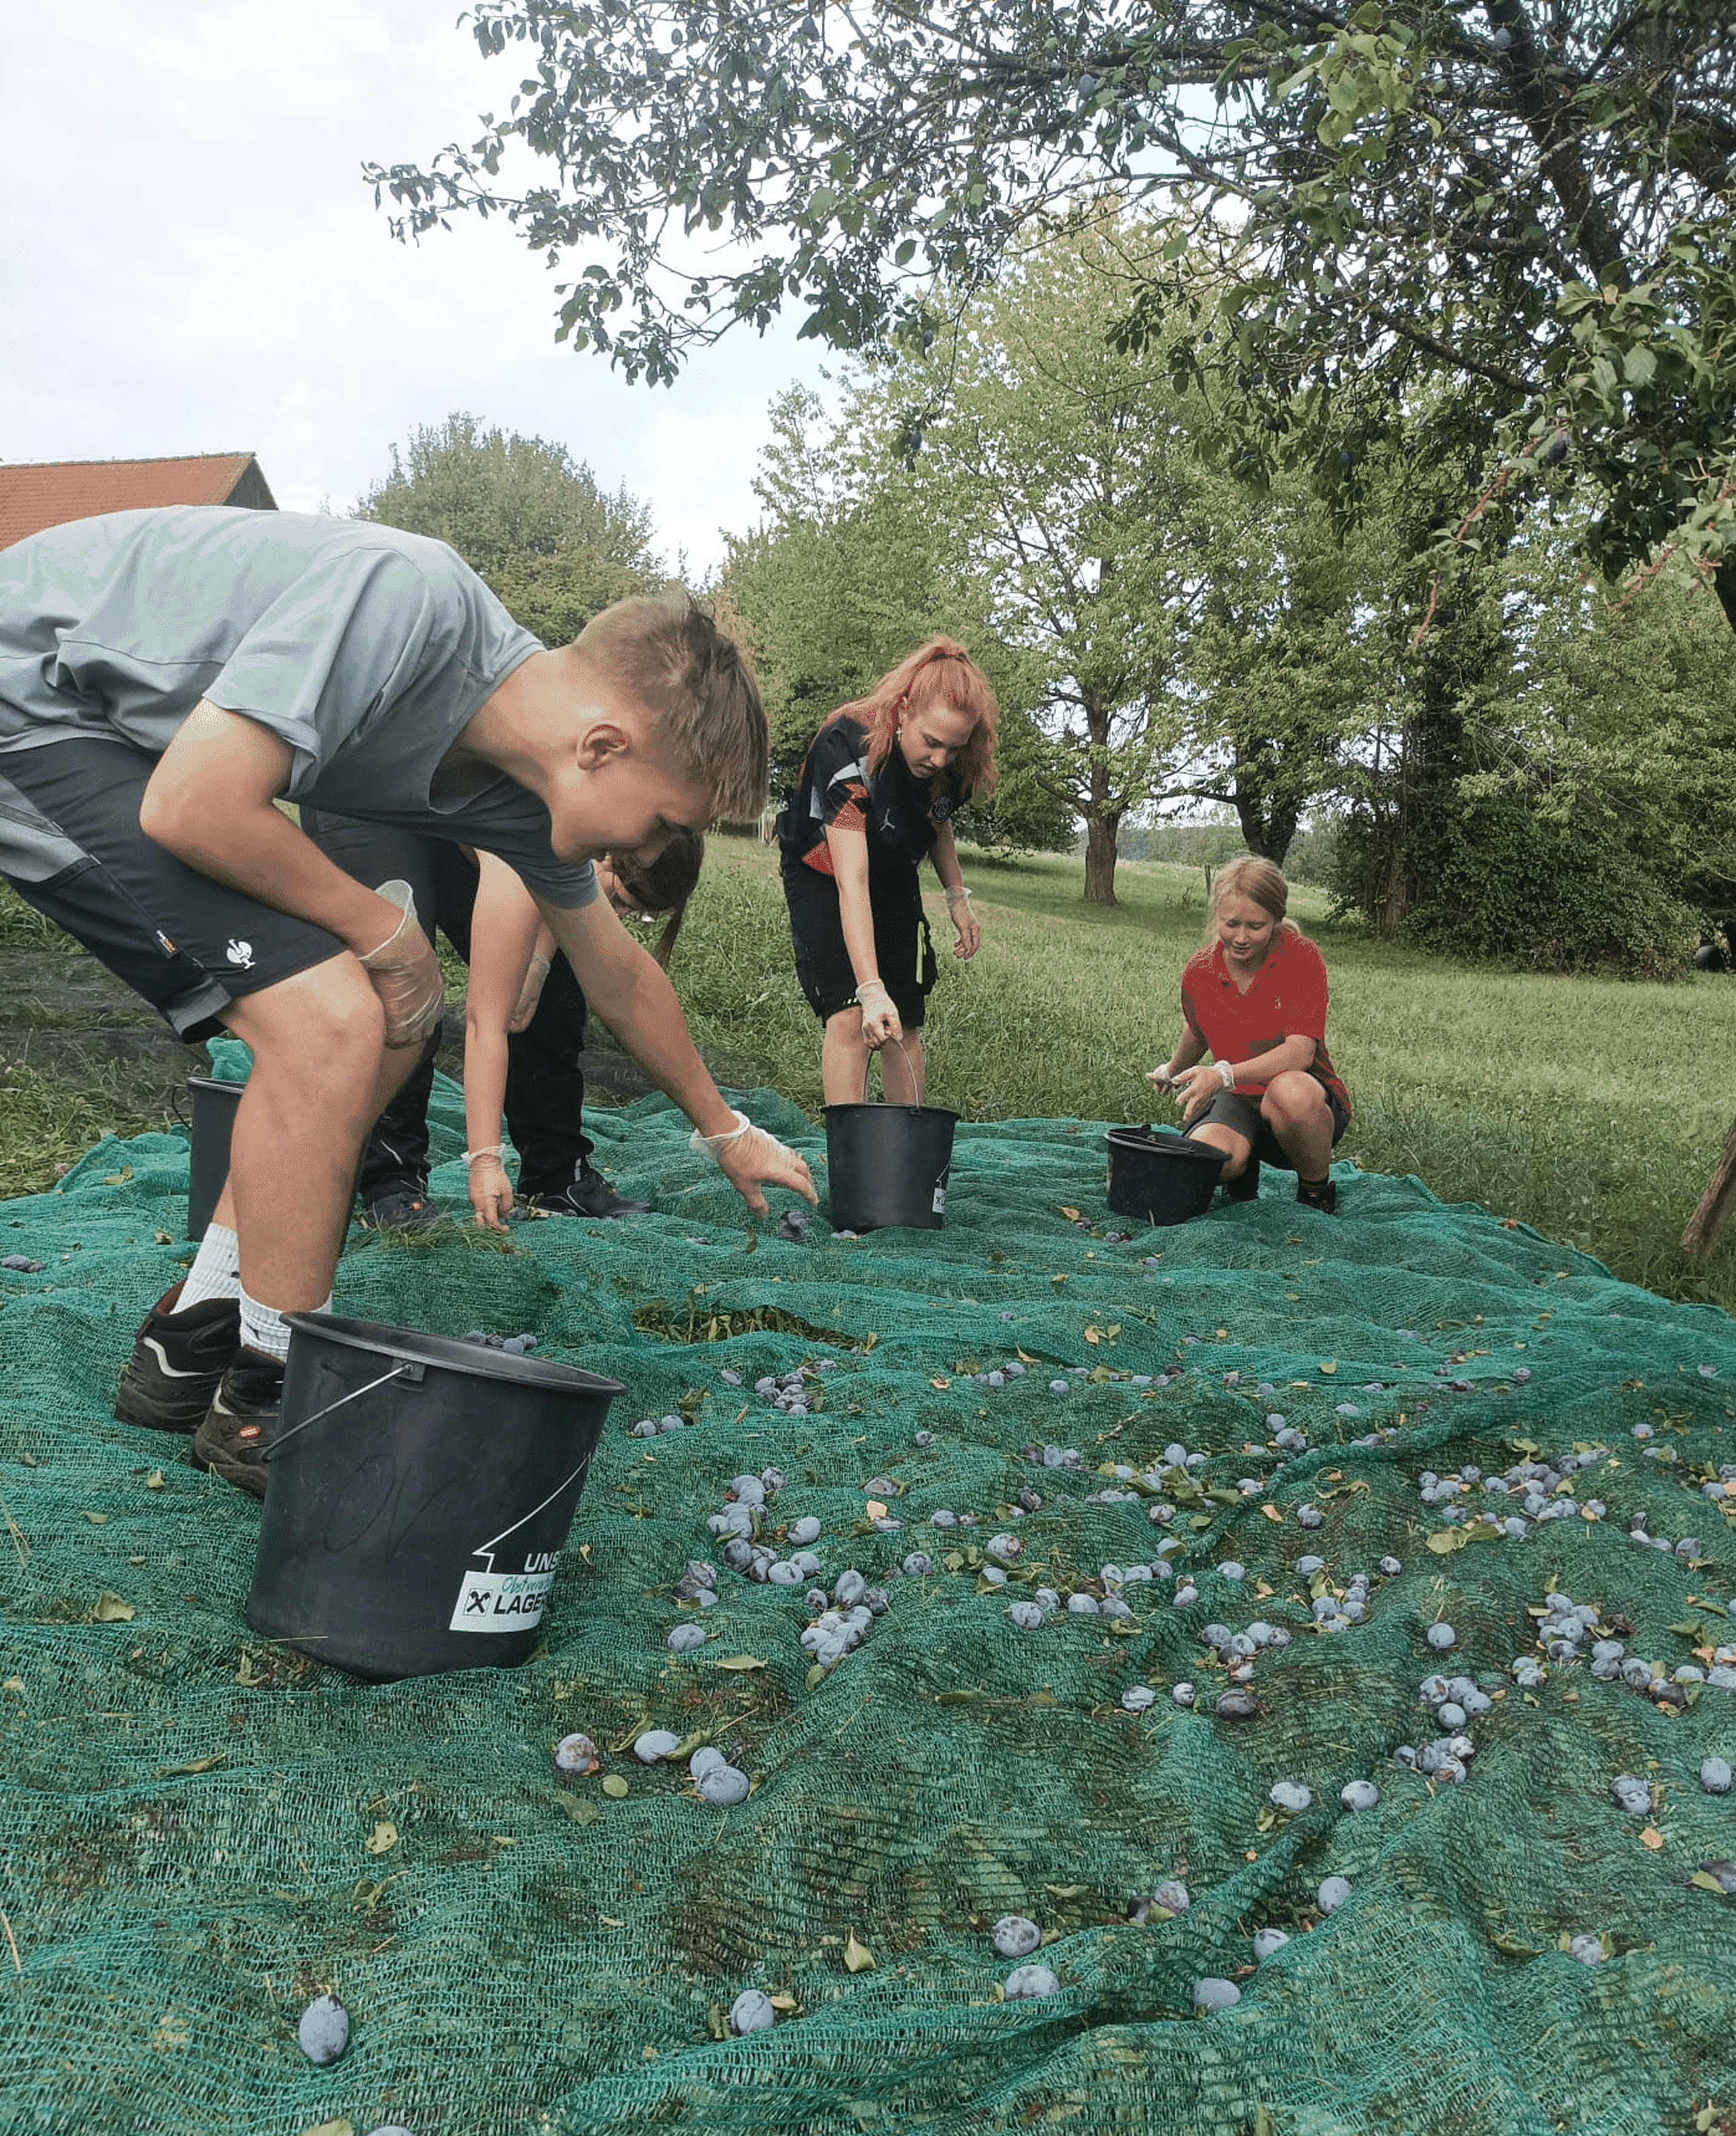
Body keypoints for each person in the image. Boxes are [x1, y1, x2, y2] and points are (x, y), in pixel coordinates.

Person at [0, 505, 814, 1495]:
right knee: (334, 1018)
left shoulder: (516, 795)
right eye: (659, 821)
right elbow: (195, 805)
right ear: (603, 745)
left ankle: (192, 1339)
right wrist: (386, 934)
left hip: (125, 743)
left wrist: (724, 1128)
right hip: (35, 698)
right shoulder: (409, 598)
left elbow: (618, 973)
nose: (637, 853)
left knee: (384, 1017)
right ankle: (272, 1399)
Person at [303, 815, 699, 1225]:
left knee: (554, 981)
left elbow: (560, 919)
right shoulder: (540, 828)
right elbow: (484, 1022)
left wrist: (540, 962)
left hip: (466, 823)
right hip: (373, 801)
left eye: (631, 913)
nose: (613, 916)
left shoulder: (574, 840)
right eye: (618, 900)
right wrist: (485, 1161)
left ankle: (558, 1177)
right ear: (608, 852)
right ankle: (391, 1182)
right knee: (405, 980)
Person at [776, 639, 996, 1104]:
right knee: (852, 1016)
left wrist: (958, 896)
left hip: (893, 866)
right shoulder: (847, 749)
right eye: (932, 743)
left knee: (903, 1023)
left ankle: (905, 1153)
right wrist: (870, 989)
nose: (940, 759)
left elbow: (936, 820)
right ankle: (850, 1158)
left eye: (952, 749)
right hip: (825, 868)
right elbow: (851, 880)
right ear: (902, 712)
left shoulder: (956, 758)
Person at [1149, 855, 1352, 1214]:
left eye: (1256, 926)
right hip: (1235, 1099)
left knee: (1290, 1091)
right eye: (1231, 924)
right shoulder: (1199, 970)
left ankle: (1315, 1190)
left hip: (1298, 1100)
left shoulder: (1301, 957)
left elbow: (1300, 1052)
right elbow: (1197, 1033)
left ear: (1275, 920)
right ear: (1217, 918)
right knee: (1207, 1161)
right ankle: (1241, 1175)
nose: (1241, 938)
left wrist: (1223, 1074)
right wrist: (1172, 1070)